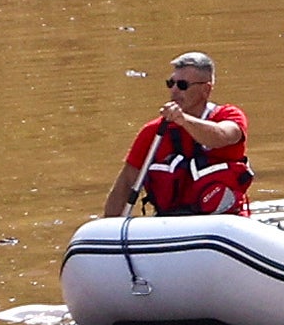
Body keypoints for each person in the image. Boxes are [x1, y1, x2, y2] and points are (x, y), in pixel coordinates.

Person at [101, 51, 252, 219]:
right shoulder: (153, 131)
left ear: (206, 89)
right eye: (171, 83)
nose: (174, 90)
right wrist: (108, 225)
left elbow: (221, 136)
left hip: (224, 221)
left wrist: (183, 120)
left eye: (182, 85)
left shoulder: (229, 115)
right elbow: (126, 183)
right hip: (171, 224)